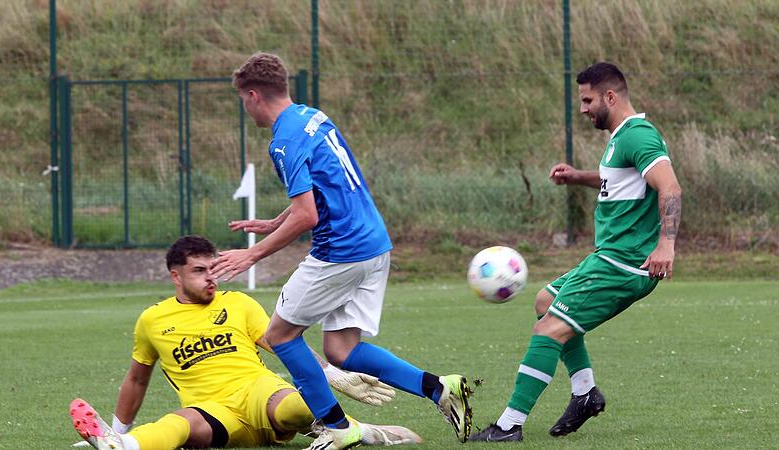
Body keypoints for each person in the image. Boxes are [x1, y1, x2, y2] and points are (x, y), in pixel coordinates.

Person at [211, 52, 472, 449]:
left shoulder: (283, 141)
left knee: (279, 335)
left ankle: (337, 427)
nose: (245, 108)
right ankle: (439, 388)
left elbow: (308, 216)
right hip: (373, 243)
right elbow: (323, 188)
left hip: (341, 251)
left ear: (252, 96)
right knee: (341, 350)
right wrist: (274, 223)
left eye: (243, 101)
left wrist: (251, 255)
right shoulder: (312, 117)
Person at [470, 62, 682, 442]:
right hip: (609, 257)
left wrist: (666, 243)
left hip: (623, 264)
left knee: (548, 330)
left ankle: (508, 426)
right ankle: (585, 394)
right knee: (544, 301)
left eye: (587, 100)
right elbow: (618, 180)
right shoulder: (622, 137)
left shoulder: (638, 136)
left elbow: (669, 187)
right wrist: (578, 177)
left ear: (610, 97)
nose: (583, 108)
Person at [70, 235, 423, 450]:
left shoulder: (238, 303)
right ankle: (119, 444)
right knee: (177, 426)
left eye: (213, 268)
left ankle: (351, 429)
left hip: (259, 393)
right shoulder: (152, 320)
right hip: (211, 410)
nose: (211, 277)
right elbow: (136, 379)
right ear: (175, 275)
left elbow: (284, 344)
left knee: (299, 407)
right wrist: (118, 429)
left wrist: (333, 374)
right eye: (199, 271)